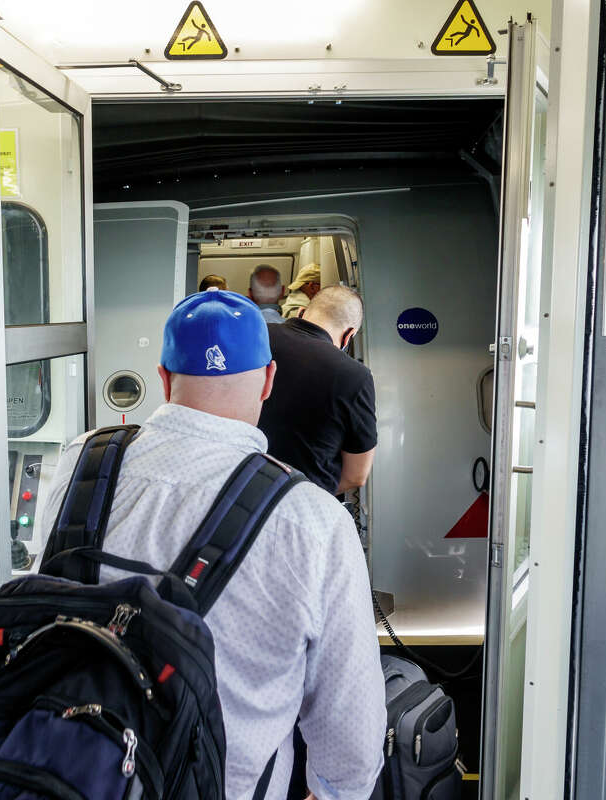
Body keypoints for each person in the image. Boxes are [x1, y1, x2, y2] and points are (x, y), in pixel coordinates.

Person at [39, 289, 385, 800]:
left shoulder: (79, 465)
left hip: (64, 776)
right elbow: (349, 737)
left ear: (162, 376)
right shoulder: (311, 518)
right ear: (268, 380)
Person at [258, 286, 377, 496]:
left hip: (238, 494)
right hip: (303, 505)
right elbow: (356, 475)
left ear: (301, 312)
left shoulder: (256, 337)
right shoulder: (355, 376)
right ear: (349, 335)